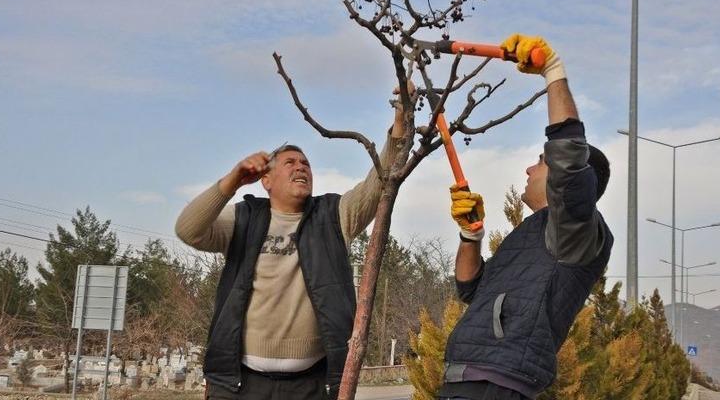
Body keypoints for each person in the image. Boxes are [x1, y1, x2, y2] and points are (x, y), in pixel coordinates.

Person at [175, 84, 411, 400]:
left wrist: (401, 119)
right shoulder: (244, 219)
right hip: (240, 384)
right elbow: (188, 230)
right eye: (290, 163)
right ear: (266, 180)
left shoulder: (333, 216)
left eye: (305, 164)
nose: (301, 167)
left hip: (312, 385)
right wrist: (232, 181)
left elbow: (379, 183)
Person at [438, 34, 613, 400]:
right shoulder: (534, 231)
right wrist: (471, 236)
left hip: (496, 384)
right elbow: (471, 289)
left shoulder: (575, 231)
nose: (530, 169)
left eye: (540, 161)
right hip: (471, 376)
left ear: (566, 178)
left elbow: (568, 157)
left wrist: (552, 70)